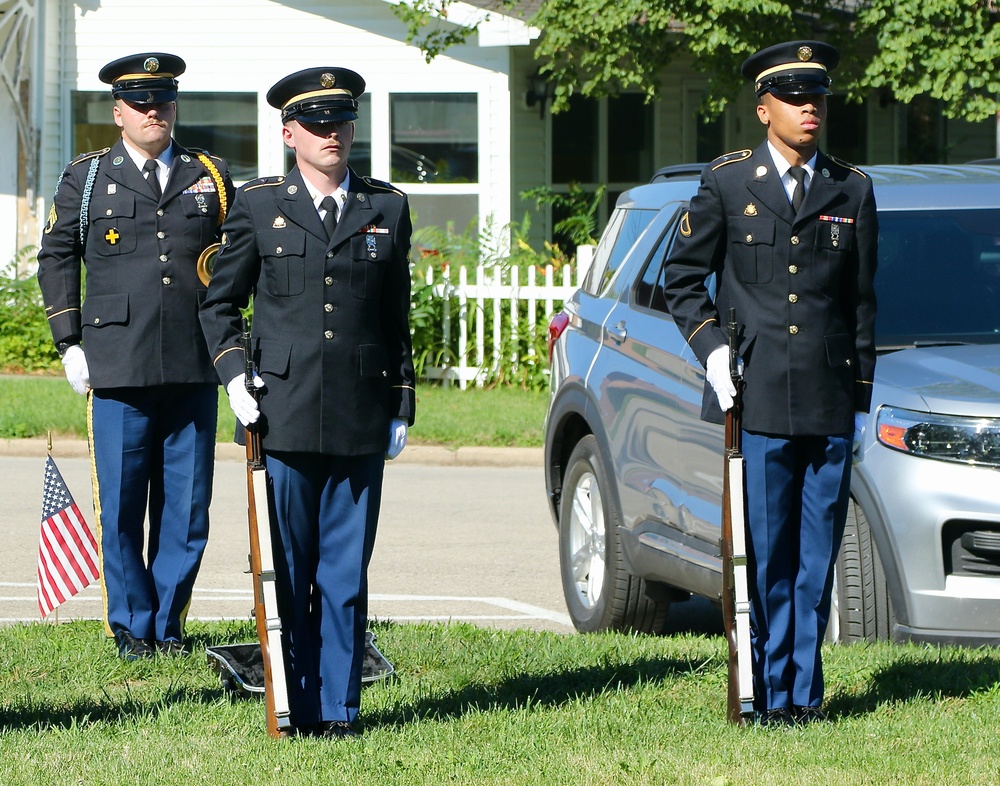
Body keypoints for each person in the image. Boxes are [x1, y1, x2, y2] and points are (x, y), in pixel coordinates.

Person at [661, 41, 878, 725]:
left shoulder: (852, 187)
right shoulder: (728, 183)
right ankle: (762, 689)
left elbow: (861, 304)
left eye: (817, 97)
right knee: (764, 555)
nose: (810, 108)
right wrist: (714, 351)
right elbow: (680, 281)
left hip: (828, 396)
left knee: (816, 557)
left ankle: (801, 693)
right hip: (754, 398)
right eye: (793, 97)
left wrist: (862, 402)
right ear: (763, 109)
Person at [199, 67, 414, 738]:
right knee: (287, 574)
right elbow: (219, 303)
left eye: (341, 122)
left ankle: (339, 710)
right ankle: (292, 704)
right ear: (289, 133)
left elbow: (395, 313)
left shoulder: (387, 207)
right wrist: (235, 377)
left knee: (345, 574)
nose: (332, 134)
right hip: (282, 411)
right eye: (317, 124)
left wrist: (402, 401)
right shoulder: (261, 205)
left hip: (358, 409)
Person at [36, 52, 234, 661]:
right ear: (118, 111)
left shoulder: (213, 174)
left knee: (186, 502)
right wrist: (70, 342)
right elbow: (57, 256)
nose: (154, 112)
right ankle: (129, 623)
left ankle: (168, 623)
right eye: (141, 103)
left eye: (164, 101)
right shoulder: (88, 176)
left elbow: (233, 264)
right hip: (116, 360)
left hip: (194, 362)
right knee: (120, 501)